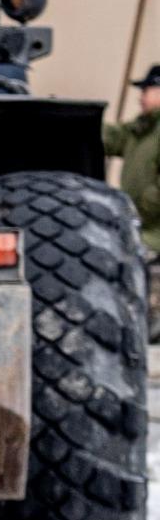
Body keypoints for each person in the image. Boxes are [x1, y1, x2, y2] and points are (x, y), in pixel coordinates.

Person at [106, 64, 160, 327]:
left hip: (154, 233)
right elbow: (110, 138)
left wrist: (145, 207)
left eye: (146, 89)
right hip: (141, 229)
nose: (140, 96)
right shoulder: (141, 129)